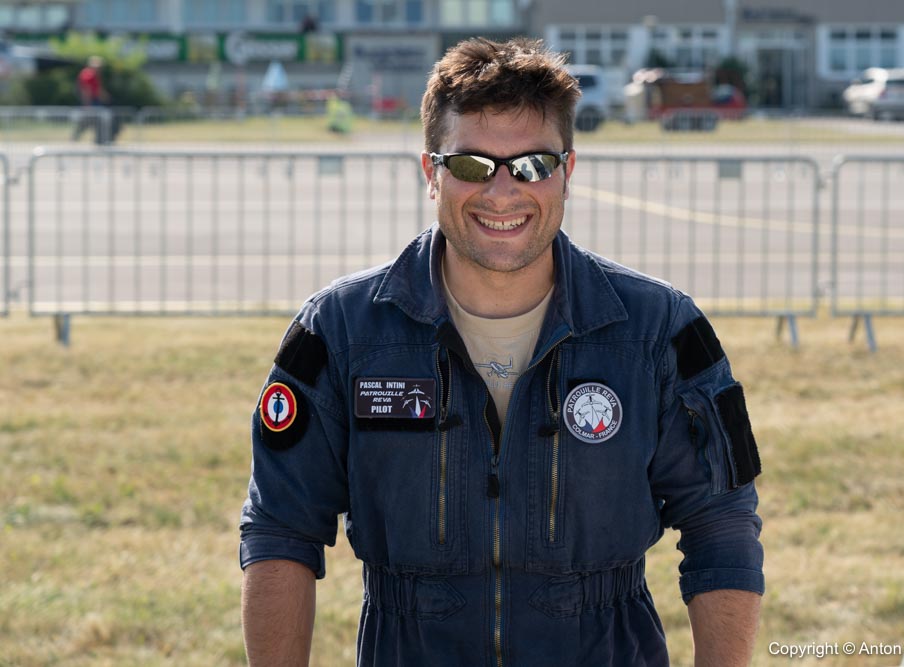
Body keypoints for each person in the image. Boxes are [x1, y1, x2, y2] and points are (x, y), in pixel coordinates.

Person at [240, 37, 764, 667]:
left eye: (533, 164)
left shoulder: (661, 331)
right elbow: (281, 530)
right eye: (471, 165)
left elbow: (722, 524)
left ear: (568, 171)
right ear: (431, 172)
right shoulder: (340, 332)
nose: (502, 192)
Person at [72, 55, 116, 145]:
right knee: (90, 121)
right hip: (91, 103)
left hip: (94, 102)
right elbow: (86, 90)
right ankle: (77, 139)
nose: (100, 69)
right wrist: (87, 104)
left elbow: (98, 90)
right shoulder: (88, 74)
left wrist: (107, 98)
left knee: (95, 121)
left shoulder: (95, 75)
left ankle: (99, 140)